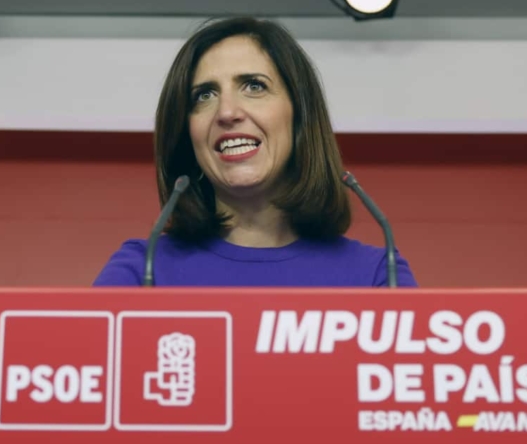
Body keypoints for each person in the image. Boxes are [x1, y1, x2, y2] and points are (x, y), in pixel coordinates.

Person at [93, 16, 417, 287]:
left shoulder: (377, 275)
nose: (226, 112)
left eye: (254, 86)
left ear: (300, 117)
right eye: (204, 95)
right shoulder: (142, 269)